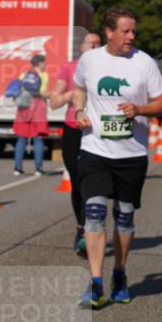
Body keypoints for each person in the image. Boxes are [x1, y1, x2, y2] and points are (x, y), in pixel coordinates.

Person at [73, 6, 162, 307]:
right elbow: (78, 88)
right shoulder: (90, 59)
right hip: (95, 150)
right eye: (125, 31)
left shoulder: (145, 63)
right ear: (109, 32)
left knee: (124, 217)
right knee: (95, 213)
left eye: (133, 31)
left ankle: (120, 273)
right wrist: (78, 110)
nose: (131, 36)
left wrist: (140, 109)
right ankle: (96, 282)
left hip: (132, 154)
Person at [50, 31, 103, 256]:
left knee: (93, 181)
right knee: (77, 180)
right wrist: (70, 94)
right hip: (73, 129)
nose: (93, 46)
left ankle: (89, 229)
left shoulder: (107, 68)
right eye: (90, 43)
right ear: (81, 47)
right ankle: (81, 227)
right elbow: (53, 102)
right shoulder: (68, 68)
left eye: (98, 44)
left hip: (97, 130)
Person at [12, 53, 51, 176]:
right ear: (39, 63)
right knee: (38, 139)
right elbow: (43, 93)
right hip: (38, 108)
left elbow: (19, 90)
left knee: (21, 139)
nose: (45, 64)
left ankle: (17, 168)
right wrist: (52, 94)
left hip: (24, 108)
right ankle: (38, 169)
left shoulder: (24, 75)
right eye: (44, 62)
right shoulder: (44, 76)